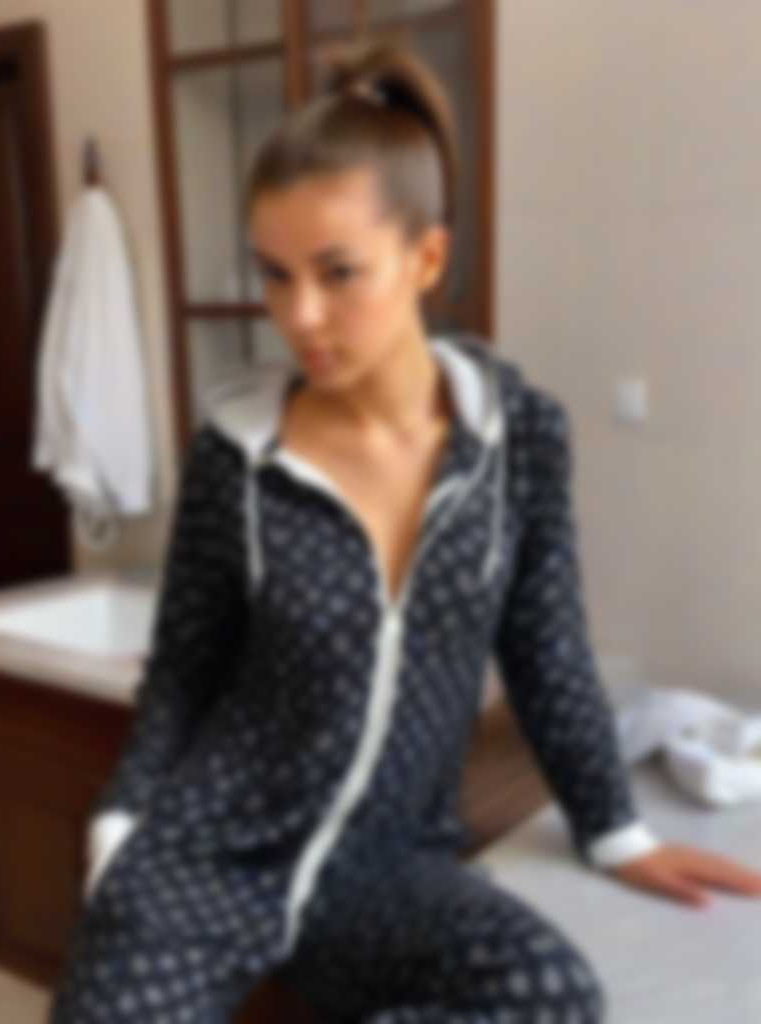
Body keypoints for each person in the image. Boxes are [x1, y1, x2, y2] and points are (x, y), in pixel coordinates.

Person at [48, 32, 761, 1024]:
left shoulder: (519, 441)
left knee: (551, 996)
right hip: (210, 851)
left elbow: (547, 650)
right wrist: (122, 826)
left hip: (387, 865)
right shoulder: (236, 454)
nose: (299, 315)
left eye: (338, 272)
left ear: (427, 257)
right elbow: (182, 672)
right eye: (275, 274)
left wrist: (616, 832)